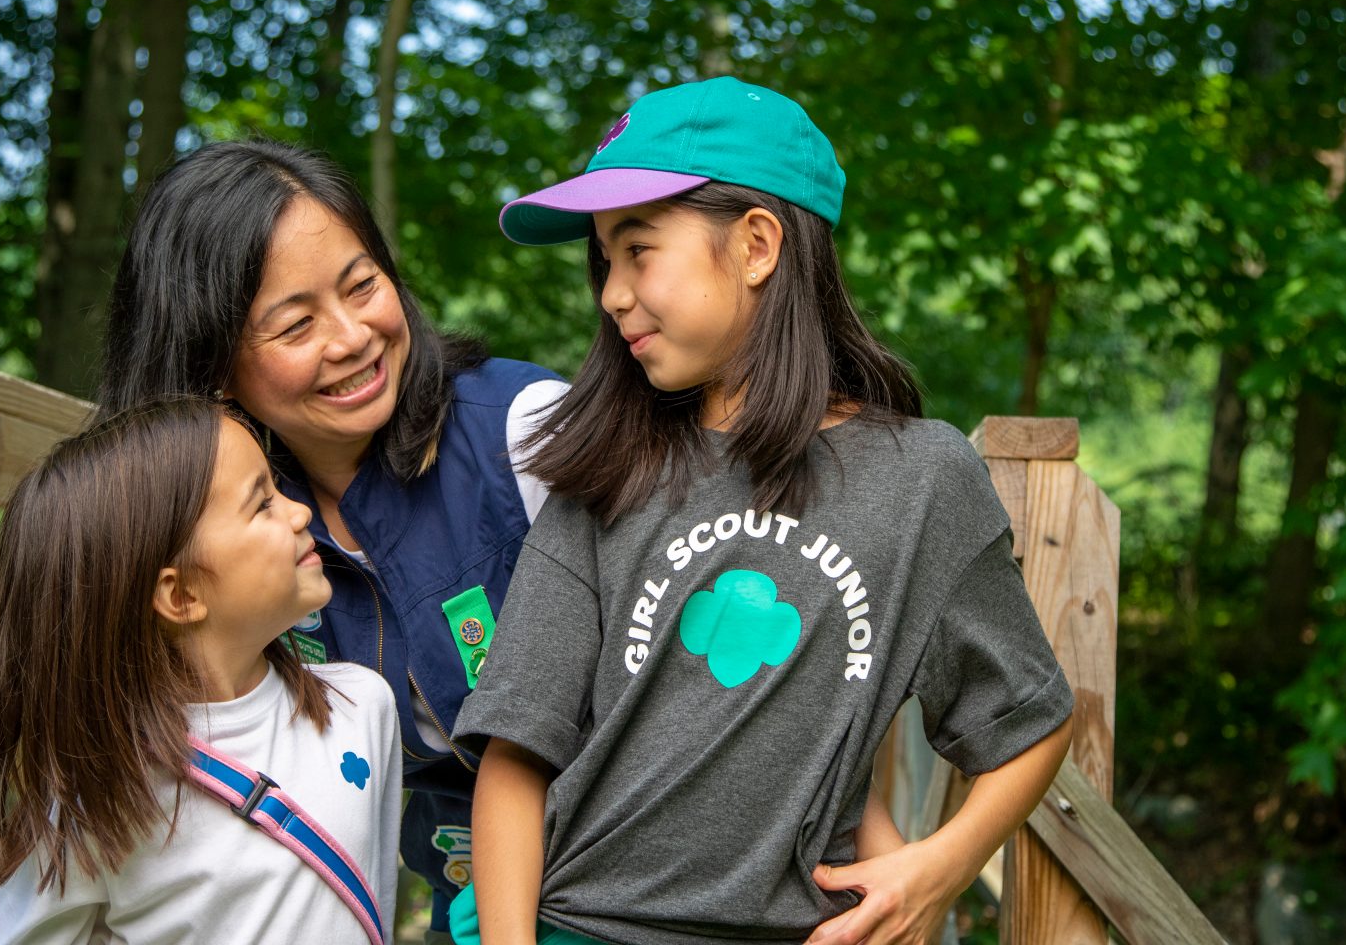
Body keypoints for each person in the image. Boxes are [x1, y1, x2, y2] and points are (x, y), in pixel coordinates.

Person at [453, 77, 1078, 945]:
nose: (611, 294)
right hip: (572, 923)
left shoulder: (923, 479)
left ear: (755, 246)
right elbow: (516, 755)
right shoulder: (606, 470)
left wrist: (942, 868)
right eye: (603, 261)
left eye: (638, 251)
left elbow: (1030, 720)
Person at [92, 140, 567, 937]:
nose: (352, 337)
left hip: (640, 882)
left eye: (363, 286)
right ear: (213, 366)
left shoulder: (526, 434)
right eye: (296, 324)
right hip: (455, 902)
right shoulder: (217, 541)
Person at [0, 396, 403, 943]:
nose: (299, 512)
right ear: (182, 594)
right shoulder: (104, 790)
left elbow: (373, 911)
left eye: (276, 487)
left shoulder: (364, 706)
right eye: (262, 504)